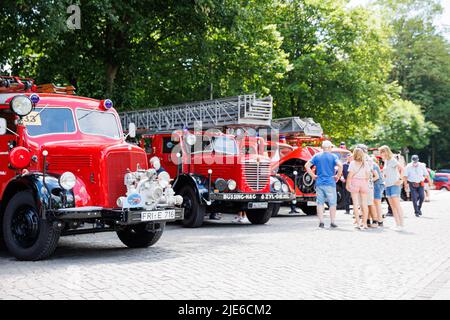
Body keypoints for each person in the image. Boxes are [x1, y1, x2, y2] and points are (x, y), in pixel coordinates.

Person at [305, 140, 343, 228]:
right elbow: (340, 165)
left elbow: (307, 165)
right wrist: (337, 175)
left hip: (319, 183)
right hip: (330, 182)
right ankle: (332, 222)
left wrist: (313, 175)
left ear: (322, 148)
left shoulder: (317, 156)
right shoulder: (333, 156)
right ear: (329, 147)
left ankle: (321, 222)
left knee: (320, 203)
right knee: (332, 203)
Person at [379, 145, 404, 231]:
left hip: (394, 185)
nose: (381, 154)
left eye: (382, 152)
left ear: (386, 151)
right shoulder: (386, 161)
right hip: (387, 185)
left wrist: (400, 179)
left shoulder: (392, 160)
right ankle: (397, 224)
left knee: (397, 205)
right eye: (381, 152)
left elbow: (402, 169)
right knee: (392, 206)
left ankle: (401, 224)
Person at [346, 148, 371, 230]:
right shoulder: (366, 163)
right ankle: (365, 224)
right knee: (364, 204)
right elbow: (368, 176)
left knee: (355, 204)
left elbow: (350, 176)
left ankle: (358, 223)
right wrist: (364, 180)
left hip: (355, 182)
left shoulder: (352, 163)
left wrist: (347, 185)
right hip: (364, 182)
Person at [371, 156, 384, 227]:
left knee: (377, 203)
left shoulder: (373, 165)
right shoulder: (374, 164)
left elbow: (377, 177)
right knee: (376, 203)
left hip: (377, 185)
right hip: (378, 185)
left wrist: (369, 180)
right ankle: (379, 220)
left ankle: (380, 221)